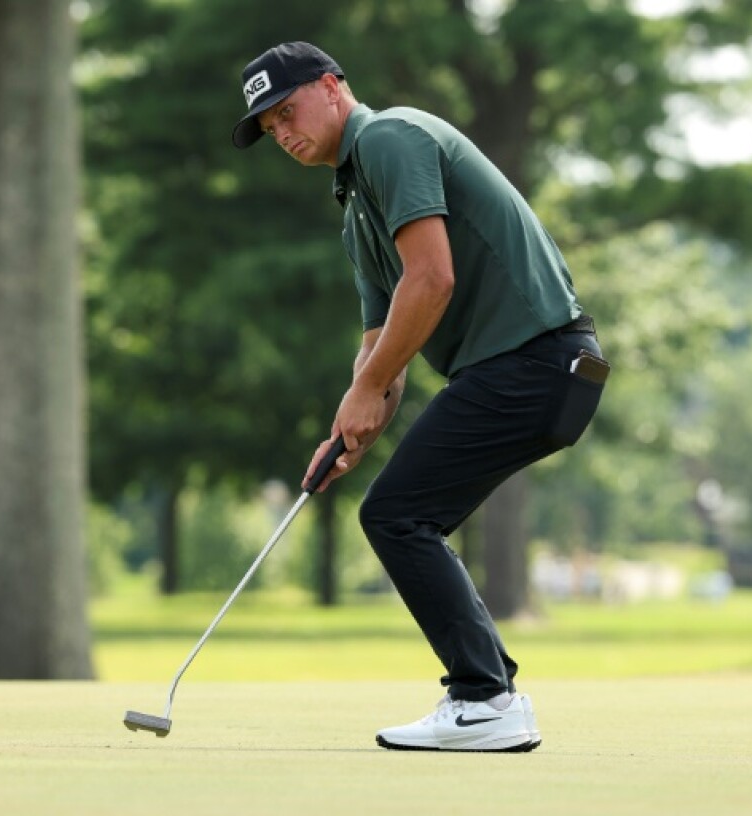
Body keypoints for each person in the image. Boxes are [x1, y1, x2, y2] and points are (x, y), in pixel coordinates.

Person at [232, 42, 608, 752]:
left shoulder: (388, 138)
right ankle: (488, 696)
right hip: (523, 371)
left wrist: (370, 390)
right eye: (268, 126)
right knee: (406, 511)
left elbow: (432, 281)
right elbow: (381, 341)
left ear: (333, 86)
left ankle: (485, 698)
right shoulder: (355, 210)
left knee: (399, 513)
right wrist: (354, 420)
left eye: (287, 110)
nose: (282, 132)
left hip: (536, 359)